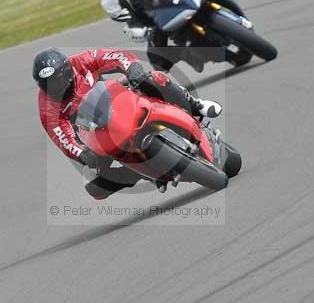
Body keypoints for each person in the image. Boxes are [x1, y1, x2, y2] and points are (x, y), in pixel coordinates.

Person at [33, 48, 222, 199]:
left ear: (66, 71)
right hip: (95, 133)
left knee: (153, 77)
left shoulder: (81, 61)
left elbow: (116, 56)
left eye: (55, 81)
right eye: (46, 84)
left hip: (117, 100)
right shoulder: (47, 105)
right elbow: (62, 137)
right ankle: (141, 172)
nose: (53, 87)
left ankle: (195, 106)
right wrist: (81, 153)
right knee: (96, 188)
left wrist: (133, 69)